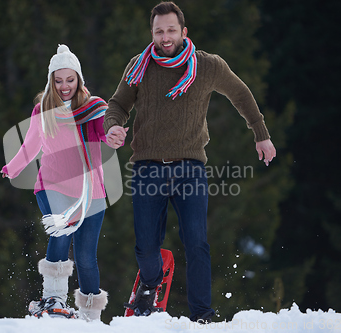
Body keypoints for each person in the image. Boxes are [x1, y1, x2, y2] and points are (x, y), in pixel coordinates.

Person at [104, 1, 276, 323]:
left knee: (197, 241)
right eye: (159, 31)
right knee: (145, 248)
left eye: (171, 30)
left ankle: (202, 315)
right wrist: (112, 126)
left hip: (190, 166)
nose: (165, 37)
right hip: (147, 167)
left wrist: (260, 133)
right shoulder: (138, 66)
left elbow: (240, 94)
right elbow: (117, 105)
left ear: (183, 31)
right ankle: (152, 282)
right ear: (152, 33)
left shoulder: (208, 66)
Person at [1, 44, 109, 321]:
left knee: (86, 256)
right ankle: (54, 298)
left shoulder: (94, 109)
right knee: (61, 232)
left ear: (79, 79)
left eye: (69, 80)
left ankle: (89, 316)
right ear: (51, 81)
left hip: (90, 192)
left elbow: (106, 138)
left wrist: (116, 134)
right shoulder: (43, 110)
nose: (64, 86)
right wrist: (12, 168)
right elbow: (30, 146)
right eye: (58, 81)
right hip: (52, 185)